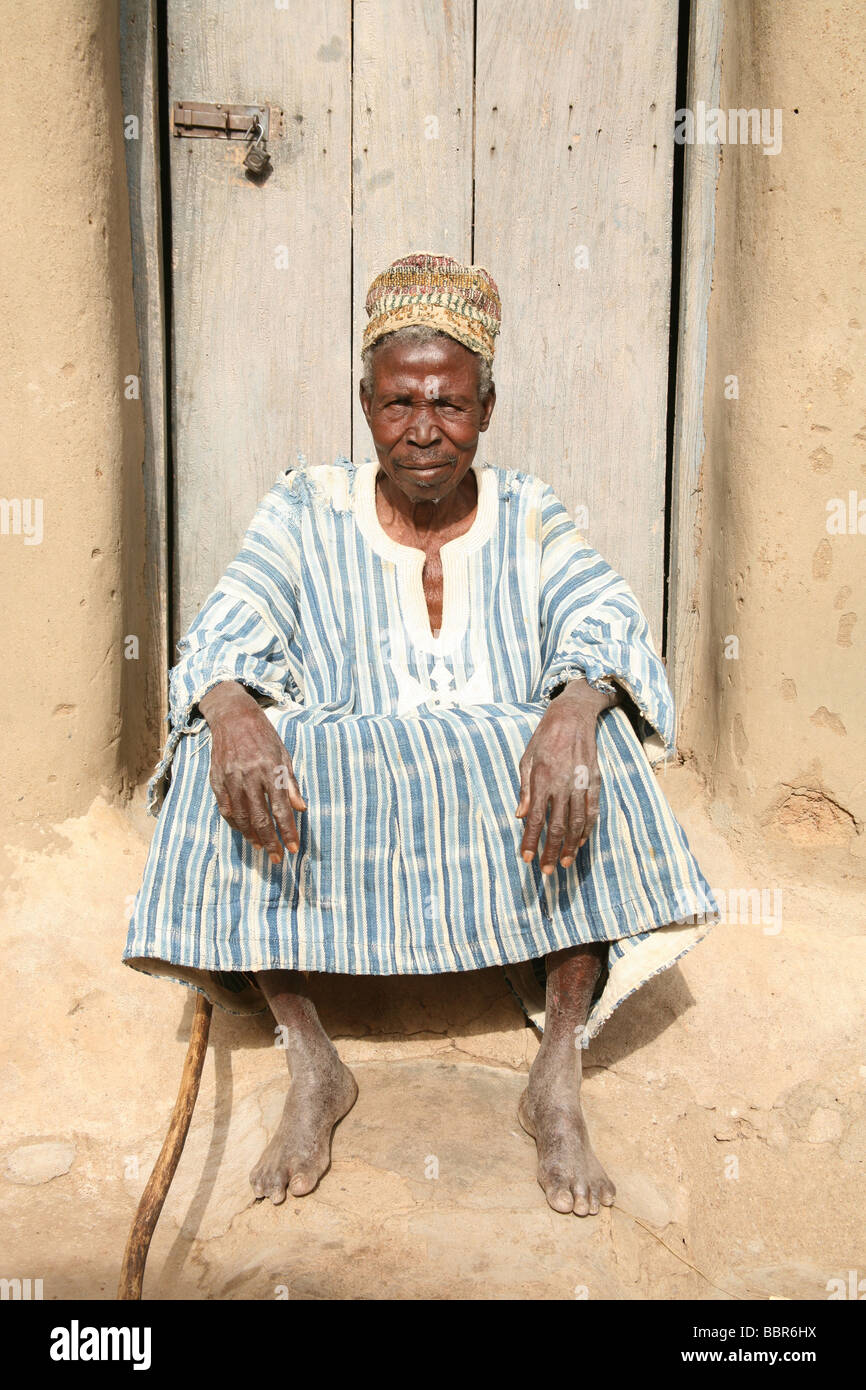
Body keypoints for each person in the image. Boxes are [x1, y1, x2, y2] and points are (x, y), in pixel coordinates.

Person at [125, 252, 718, 1217]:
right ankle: (312, 1060)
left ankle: (555, 1073)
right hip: (348, 777)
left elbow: (605, 621)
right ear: (366, 405)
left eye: (449, 404)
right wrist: (232, 709)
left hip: (498, 782)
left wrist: (575, 706)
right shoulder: (307, 504)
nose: (424, 431)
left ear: (487, 407)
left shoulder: (528, 509)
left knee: (598, 739)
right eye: (400, 403)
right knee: (209, 750)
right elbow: (223, 630)